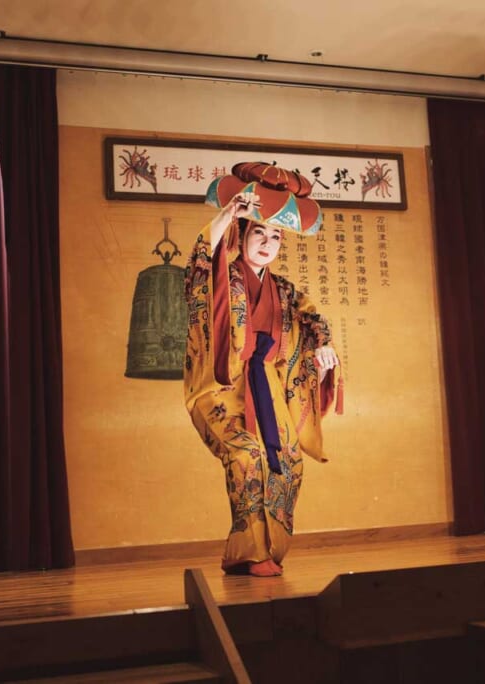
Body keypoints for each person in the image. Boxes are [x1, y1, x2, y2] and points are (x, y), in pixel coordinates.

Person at [184, 162, 342, 576]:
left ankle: (267, 550)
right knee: (246, 454)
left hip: (268, 387)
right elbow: (202, 261)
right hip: (221, 385)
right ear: (242, 234)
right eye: (260, 233)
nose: (269, 243)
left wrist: (325, 348)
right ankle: (249, 551)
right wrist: (228, 214)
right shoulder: (222, 278)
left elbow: (313, 322)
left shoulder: (285, 291)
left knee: (289, 462)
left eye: (275, 236)